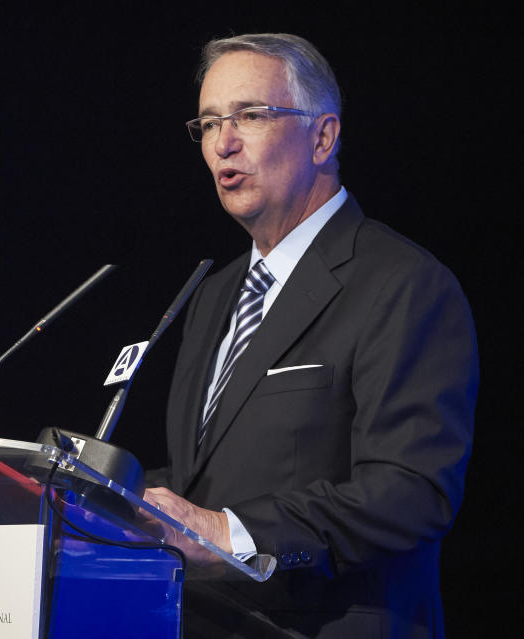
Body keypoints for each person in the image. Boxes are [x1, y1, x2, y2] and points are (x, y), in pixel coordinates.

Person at [143, 33, 478, 638]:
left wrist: (227, 532)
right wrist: (114, 504)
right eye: (210, 121)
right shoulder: (215, 293)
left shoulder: (402, 284)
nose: (225, 141)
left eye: (251, 115)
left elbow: (411, 491)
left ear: (323, 137)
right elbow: (211, 479)